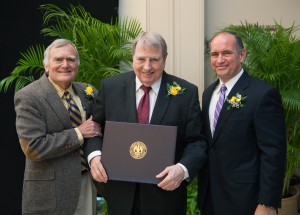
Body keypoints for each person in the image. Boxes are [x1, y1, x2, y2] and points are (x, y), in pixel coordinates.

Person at [85, 31, 207, 215]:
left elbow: (196, 142)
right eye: (141, 59)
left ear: (164, 59)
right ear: (133, 58)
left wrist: (182, 169)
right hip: (120, 195)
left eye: (154, 60)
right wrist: (94, 157)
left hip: (165, 199)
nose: (147, 67)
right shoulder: (110, 87)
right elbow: (95, 129)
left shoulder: (186, 93)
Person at [197, 31, 286, 215]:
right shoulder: (208, 94)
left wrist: (267, 203)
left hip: (246, 200)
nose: (220, 59)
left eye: (227, 53)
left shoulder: (262, 94)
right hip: (211, 196)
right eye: (215, 54)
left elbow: (273, 153)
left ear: (242, 55)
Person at [14, 38, 101, 214]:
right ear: (46, 65)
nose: (65, 65)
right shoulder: (29, 96)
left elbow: (99, 131)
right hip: (50, 191)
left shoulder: (88, 92)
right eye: (58, 60)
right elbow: (33, 147)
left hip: (87, 184)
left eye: (71, 59)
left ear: (77, 64)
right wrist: (78, 133)